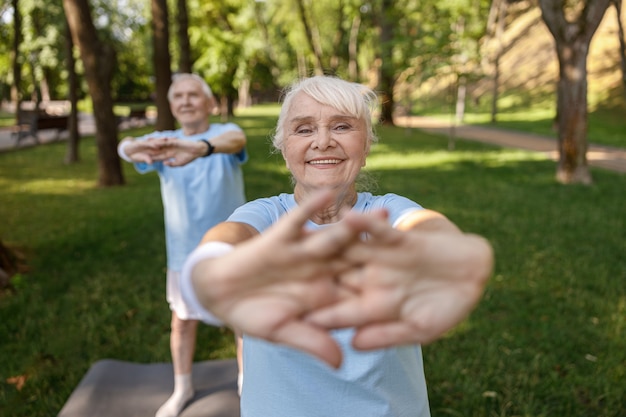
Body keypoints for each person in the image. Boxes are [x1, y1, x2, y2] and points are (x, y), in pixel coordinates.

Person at [179, 75, 494, 416]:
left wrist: (450, 255)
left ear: (367, 145)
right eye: (303, 129)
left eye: (342, 126)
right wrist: (208, 272)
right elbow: (227, 239)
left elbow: (425, 228)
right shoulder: (265, 216)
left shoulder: (388, 212)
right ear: (284, 149)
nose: (323, 141)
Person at [117, 73, 247, 417]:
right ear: (172, 106)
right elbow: (126, 146)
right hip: (183, 252)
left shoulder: (222, 134)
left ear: (209, 103)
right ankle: (182, 387)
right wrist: (136, 148)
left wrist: (198, 148)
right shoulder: (163, 140)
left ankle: (247, 384)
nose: (186, 101)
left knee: (242, 321)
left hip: (228, 250)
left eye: (193, 94)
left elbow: (238, 139)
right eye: (179, 96)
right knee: (182, 321)